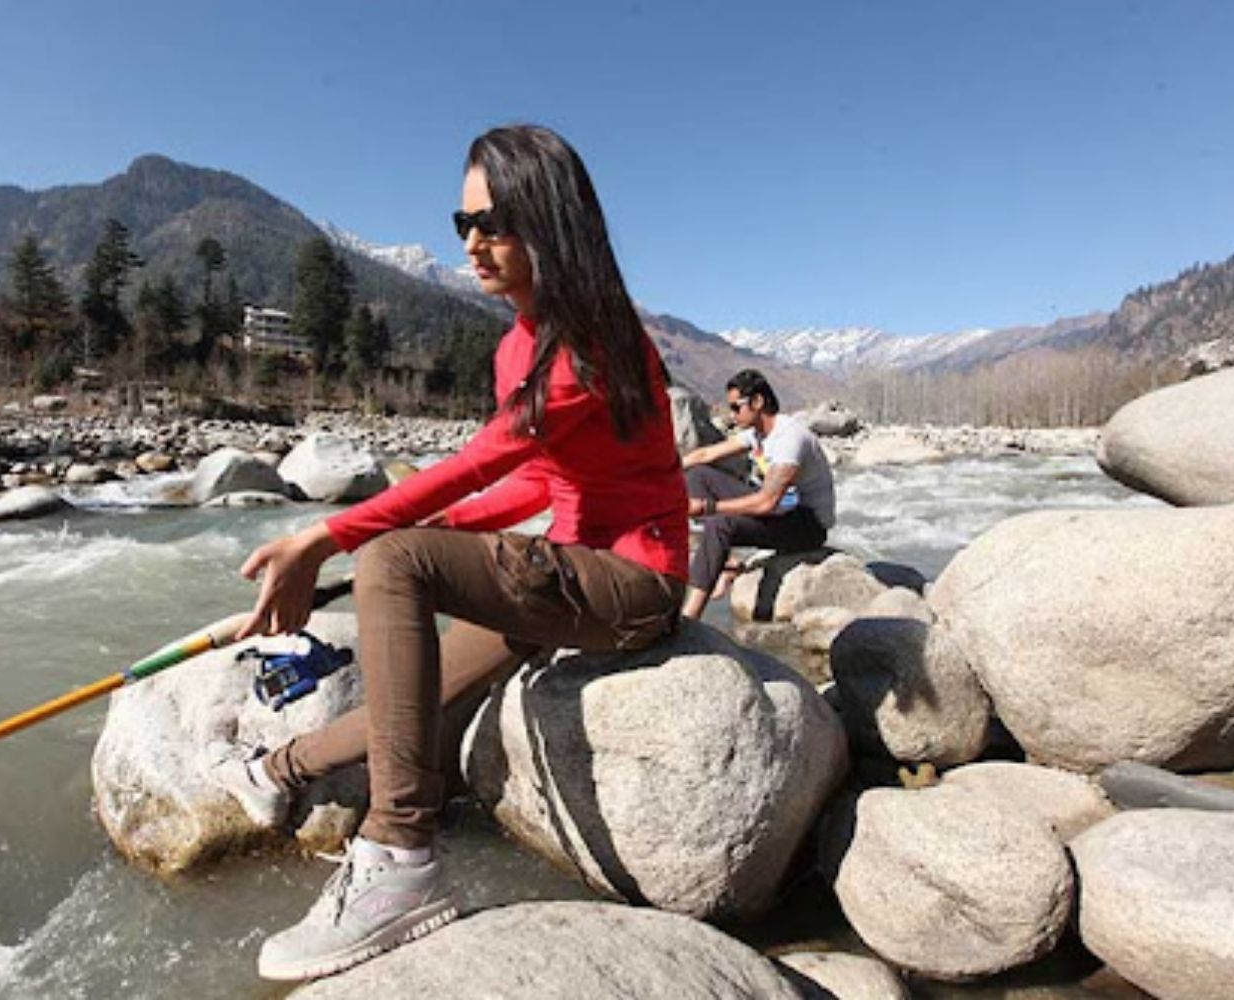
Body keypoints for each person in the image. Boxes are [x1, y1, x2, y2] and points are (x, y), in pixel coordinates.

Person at [212, 124, 690, 982]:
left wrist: (329, 536)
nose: (472, 241)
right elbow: (535, 480)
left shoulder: (596, 338)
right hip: (570, 574)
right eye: (462, 222)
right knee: (417, 694)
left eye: (492, 221)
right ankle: (274, 770)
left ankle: (400, 856)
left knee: (393, 560)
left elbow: (490, 459)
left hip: (635, 582)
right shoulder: (517, 345)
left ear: (550, 221)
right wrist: (443, 529)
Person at [680, 369, 835, 620]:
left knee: (721, 523)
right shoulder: (757, 435)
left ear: (758, 402)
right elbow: (704, 455)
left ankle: (690, 617)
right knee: (698, 475)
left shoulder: (790, 438)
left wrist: (707, 507)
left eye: (736, 407)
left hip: (807, 525)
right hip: (782, 510)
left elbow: (766, 502)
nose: (732, 415)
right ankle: (727, 563)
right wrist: (661, 472)